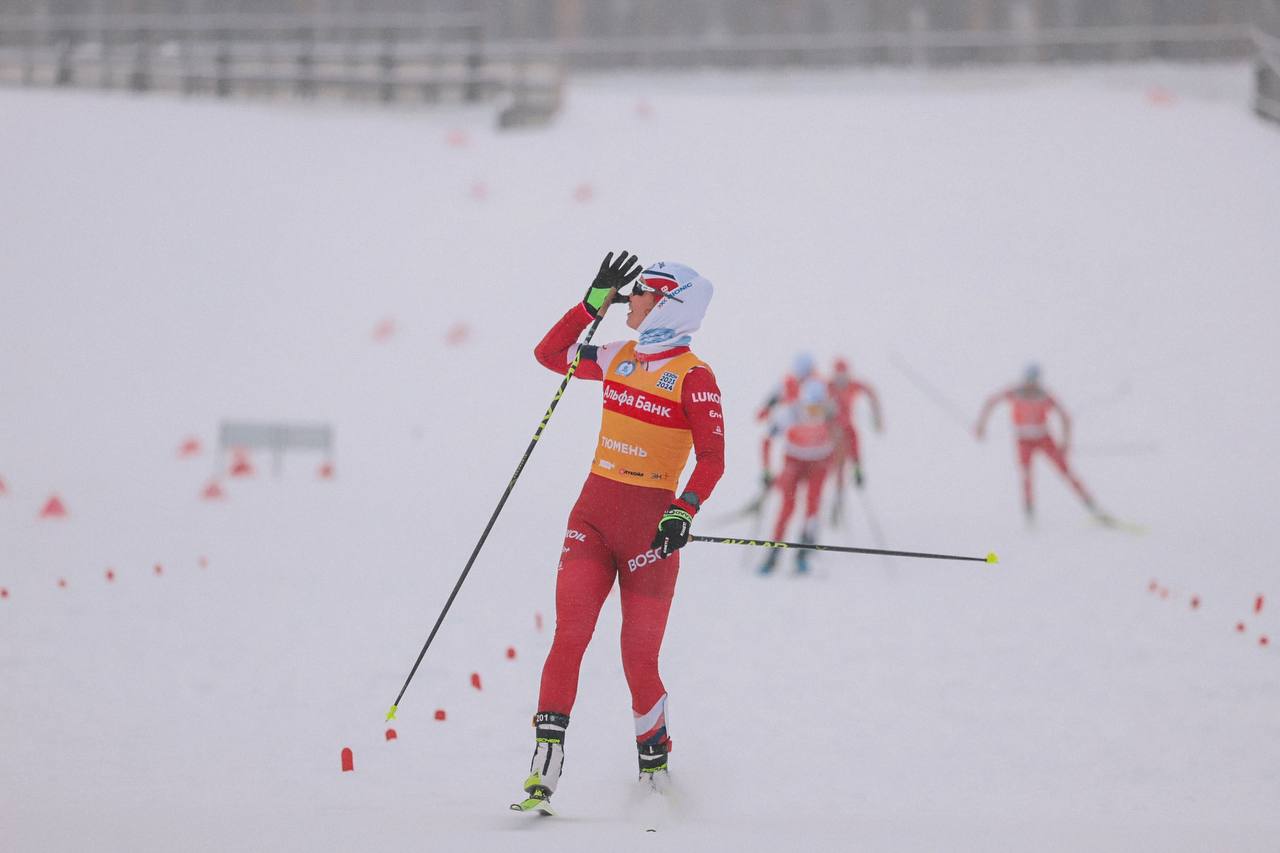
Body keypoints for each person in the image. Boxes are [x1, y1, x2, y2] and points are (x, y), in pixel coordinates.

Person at [515, 251, 724, 812]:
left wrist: (684, 510)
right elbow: (549, 355)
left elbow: (712, 460)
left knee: (638, 657)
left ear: (665, 303)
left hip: (649, 536)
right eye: (627, 293)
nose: (628, 300)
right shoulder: (616, 355)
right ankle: (544, 766)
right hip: (591, 520)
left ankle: (654, 774)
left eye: (637, 293)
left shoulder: (695, 377)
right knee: (570, 636)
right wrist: (591, 304)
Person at [975, 363, 1099, 522]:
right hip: (1023, 441)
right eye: (1029, 380)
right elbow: (990, 402)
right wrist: (981, 426)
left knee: (1065, 470)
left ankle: (1090, 503)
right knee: (1026, 475)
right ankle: (1029, 512)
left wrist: (1065, 443)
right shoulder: (1015, 392)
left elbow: (1065, 417)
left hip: (1044, 439)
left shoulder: (1044, 396)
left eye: (1034, 381)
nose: (1031, 384)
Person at [759, 377, 837, 575]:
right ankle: (773, 555)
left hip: (819, 462)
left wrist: (851, 465)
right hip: (794, 461)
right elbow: (767, 440)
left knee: (813, 506)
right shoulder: (790, 413)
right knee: (787, 507)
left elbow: (847, 436)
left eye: (818, 409)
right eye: (810, 408)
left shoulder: (830, 413)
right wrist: (767, 471)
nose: (813, 414)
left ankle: (804, 554)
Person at [828, 356, 883, 496]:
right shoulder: (828, 386)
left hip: (847, 426)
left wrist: (876, 417)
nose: (841, 379)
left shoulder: (854, 385)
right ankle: (837, 485)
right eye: (838, 375)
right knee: (838, 454)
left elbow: (870, 392)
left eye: (843, 375)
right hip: (833, 428)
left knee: (854, 441)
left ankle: (857, 469)